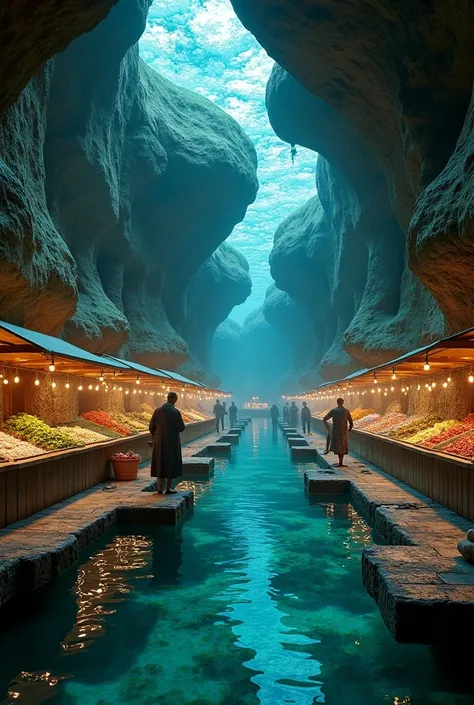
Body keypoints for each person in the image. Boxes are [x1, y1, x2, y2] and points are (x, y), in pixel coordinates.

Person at [149, 392, 185, 494]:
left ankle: (159, 489)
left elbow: (151, 427)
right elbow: (181, 428)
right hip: (172, 442)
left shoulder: (157, 410)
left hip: (159, 442)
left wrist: (155, 436)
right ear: (175, 400)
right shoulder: (175, 412)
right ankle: (168, 489)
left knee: (160, 462)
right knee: (171, 463)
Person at [323, 398, 353, 468]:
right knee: (342, 446)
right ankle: (340, 462)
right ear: (343, 402)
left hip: (336, 430)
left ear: (337, 402)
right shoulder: (346, 411)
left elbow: (324, 419)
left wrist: (327, 427)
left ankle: (340, 462)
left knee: (338, 445)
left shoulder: (333, 411)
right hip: (344, 431)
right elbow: (351, 422)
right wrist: (349, 429)